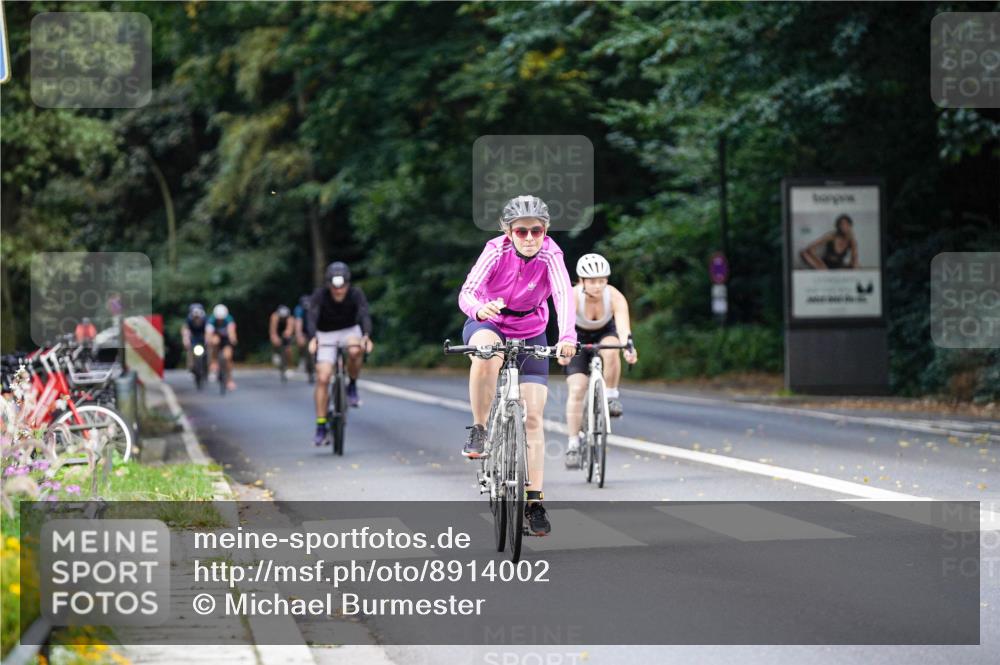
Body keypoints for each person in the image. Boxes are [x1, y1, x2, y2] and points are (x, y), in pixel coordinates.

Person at [458, 194, 576, 536]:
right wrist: (478, 310)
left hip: (531, 330)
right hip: (489, 323)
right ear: (508, 232)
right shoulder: (495, 250)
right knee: (485, 353)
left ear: (545, 230)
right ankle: (479, 429)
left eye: (536, 231)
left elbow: (563, 295)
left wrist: (566, 336)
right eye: (520, 231)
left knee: (534, 416)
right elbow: (468, 290)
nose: (528, 238)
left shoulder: (552, 254)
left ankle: (534, 502)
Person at [563, 253, 638, 469]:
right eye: (593, 281)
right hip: (576, 336)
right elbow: (564, 326)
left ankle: (612, 396)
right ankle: (573, 444)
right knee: (577, 389)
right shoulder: (572, 296)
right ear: (582, 281)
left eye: (602, 280)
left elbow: (623, 328)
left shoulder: (614, 296)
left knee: (612, 349)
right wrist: (564, 348)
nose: (598, 286)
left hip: (604, 333)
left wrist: (629, 348)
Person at [306, 262, 374, 446]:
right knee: (323, 377)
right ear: (329, 284)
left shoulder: (356, 294)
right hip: (325, 333)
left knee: (355, 349)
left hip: (349, 331)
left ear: (348, 284)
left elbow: (364, 314)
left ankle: (351, 384)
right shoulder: (320, 295)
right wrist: (312, 338)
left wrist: (366, 336)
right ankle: (321, 425)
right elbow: (311, 316)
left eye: (342, 286)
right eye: (335, 287)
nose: (339, 291)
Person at [206, 304, 238, 391]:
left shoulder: (229, 319)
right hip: (216, 338)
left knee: (228, 357)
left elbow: (232, 332)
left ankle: (229, 380)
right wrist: (209, 340)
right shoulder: (211, 320)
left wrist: (233, 339)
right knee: (215, 341)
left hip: (226, 340)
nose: (220, 320)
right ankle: (214, 362)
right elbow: (209, 333)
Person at [293, 294, 316, 383]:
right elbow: (298, 322)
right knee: (307, 349)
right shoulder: (299, 309)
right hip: (304, 331)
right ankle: (306, 362)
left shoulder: (315, 307)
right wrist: (299, 335)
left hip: (314, 330)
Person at [269, 305, 295, 374]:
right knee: (275, 341)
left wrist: (287, 333)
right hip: (277, 331)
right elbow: (273, 331)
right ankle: (276, 353)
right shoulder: (274, 317)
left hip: (285, 332)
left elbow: (290, 330)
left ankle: (288, 366)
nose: (283, 319)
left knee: (288, 350)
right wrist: (275, 338)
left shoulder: (290, 318)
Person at [181, 303, 207, 369]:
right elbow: (185, 330)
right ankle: (191, 365)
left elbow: (209, 331)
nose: (197, 318)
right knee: (189, 349)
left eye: (198, 317)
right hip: (193, 338)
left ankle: (209, 365)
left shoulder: (205, 320)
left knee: (209, 347)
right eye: (195, 317)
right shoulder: (189, 320)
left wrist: (208, 339)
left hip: (203, 337)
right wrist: (185, 340)